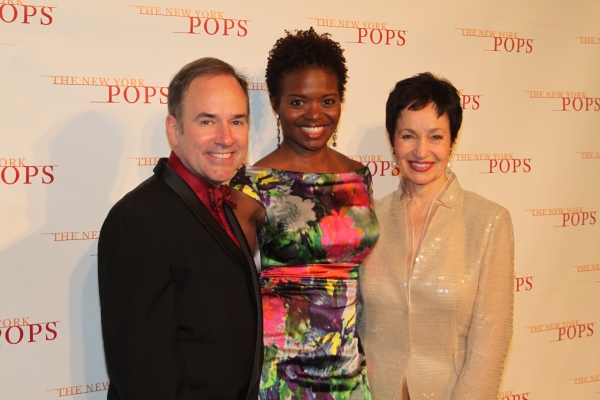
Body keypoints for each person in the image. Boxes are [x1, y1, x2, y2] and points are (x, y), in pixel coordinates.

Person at [98, 57, 263, 400]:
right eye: (207, 121)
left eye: (237, 121)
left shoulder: (227, 203)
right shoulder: (137, 219)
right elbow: (143, 374)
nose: (226, 138)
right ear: (174, 129)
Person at [229, 28, 379, 399]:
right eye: (298, 102)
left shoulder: (358, 178)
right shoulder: (250, 186)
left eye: (327, 100)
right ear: (276, 103)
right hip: (283, 375)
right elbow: (233, 296)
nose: (315, 114)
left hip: (350, 370)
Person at [357, 72, 514, 399]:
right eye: (408, 135)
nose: (421, 151)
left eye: (436, 136)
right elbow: (355, 324)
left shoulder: (488, 221)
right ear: (392, 140)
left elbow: (491, 340)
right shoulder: (368, 218)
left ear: (453, 141)